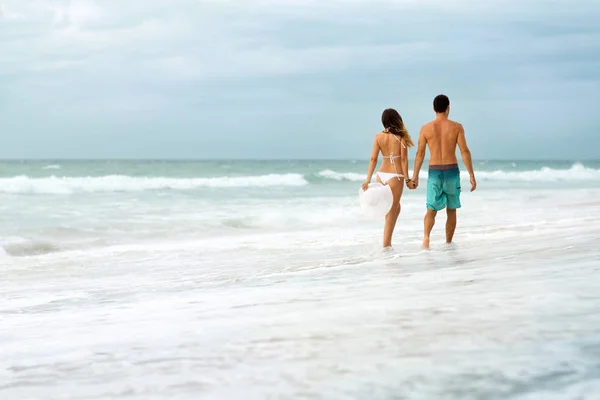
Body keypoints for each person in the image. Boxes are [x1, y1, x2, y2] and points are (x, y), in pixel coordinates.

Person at [410, 94, 476, 249]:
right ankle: (448, 243)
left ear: (434, 109)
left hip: (434, 172)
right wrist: (471, 174)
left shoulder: (425, 128)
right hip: (452, 171)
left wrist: (415, 176)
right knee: (451, 209)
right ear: (448, 108)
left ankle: (426, 239)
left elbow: (420, 154)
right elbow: (464, 151)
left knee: (431, 209)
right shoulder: (456, 127)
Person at [362, 108, 416, 249]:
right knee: (391, 212)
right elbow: (404, 160)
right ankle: (386, 246)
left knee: (395, 208)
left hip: (381, 175)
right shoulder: (401, 138)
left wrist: (368, 179)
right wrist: (408, 180)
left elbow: (373, 159)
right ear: (397, 119)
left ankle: (387, 243)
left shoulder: (378, 137)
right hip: (395, 176)